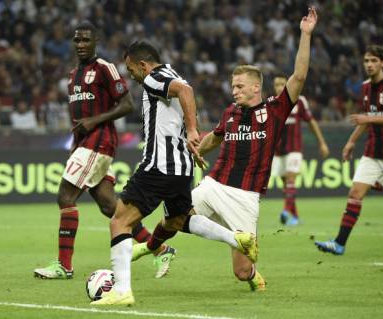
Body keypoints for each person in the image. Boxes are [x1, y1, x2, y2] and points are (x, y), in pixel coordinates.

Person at [132, 7, 319, 292]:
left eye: (240, 86)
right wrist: (197, 150)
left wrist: (305, 35)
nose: (234, 91)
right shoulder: (230, 112)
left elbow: (299, 77)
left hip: (245, 197)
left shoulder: (275, 110)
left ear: (256, 88)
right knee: (174, 216)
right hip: (214, 185)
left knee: (241, 272)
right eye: (233, 86)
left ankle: (253, 274)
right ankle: (150, 247)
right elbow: (214, 138)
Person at [90, 40, 258, 306]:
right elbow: (185, 95)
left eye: (131, 68)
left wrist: (192, 131)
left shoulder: (154, 78)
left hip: (159, 165)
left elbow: (186, 92)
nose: (130, 74)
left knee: (119, 221)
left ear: (142, 64)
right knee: (179, 220)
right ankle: (237, 239)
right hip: (181, 168)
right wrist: (191, 138)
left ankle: (121, 291)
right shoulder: (174, 73)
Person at [33, 22, 167, 280]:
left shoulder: (105, 68)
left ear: (95, 41)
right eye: (77, 40)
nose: (81, 45)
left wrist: (96, 121)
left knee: (65, 196)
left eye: (85, 40)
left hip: (100, 140)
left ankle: (64, 265)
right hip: (84, 144)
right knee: (112, 208)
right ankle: (160, 248)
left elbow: (127, 104)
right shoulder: (73, 76)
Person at [315, 45, 383, 255]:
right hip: (373, 151)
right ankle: (339, 243)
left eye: (373, 60)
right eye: (366, 61)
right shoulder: (365, 87)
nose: (369, 65)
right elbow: (366, 118)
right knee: (355, 193)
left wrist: (369, 118)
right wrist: (351, 141)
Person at [271, 75, 329, 226]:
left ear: (288, 84)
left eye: (282, 84)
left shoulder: (299, 100)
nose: (279, 87)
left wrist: (321, 143)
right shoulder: (272, 103)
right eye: (276, 84)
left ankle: (284, 211)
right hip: (278, 151)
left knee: (291, 179)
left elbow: (311, 122)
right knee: (286, 186)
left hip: (295, 148)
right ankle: (295, 216)